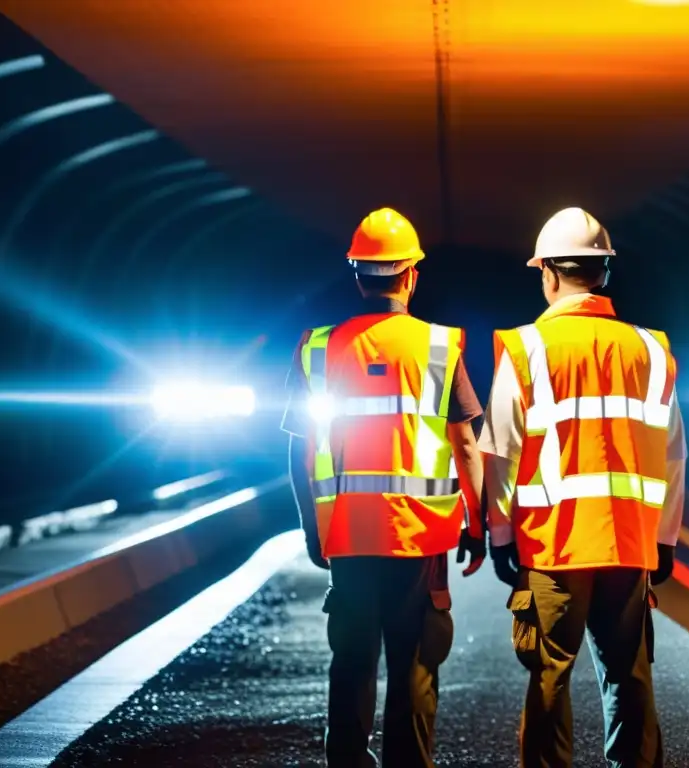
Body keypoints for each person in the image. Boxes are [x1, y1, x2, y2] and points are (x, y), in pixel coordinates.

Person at [477, 207, 687, 768]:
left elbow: (500, 450)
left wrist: (500, 536)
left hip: (553, 545)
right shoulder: (649, 349)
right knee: (629, 678)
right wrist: (663, 538)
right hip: (628, 543)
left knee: (550, 676)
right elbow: (672, 453)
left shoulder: (527, 349)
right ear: (605, 274)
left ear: (546, 272)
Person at [280, 207, 487, 768]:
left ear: (357, 275)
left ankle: (345, 760)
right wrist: (476, 522)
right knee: (415, 664)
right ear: (411, 275)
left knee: (350, 660)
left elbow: (301, 452)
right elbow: (466, 446)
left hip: (347, 536)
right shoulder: (440, 347)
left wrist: (311, 530)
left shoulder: (318, 349)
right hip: (420, 540)